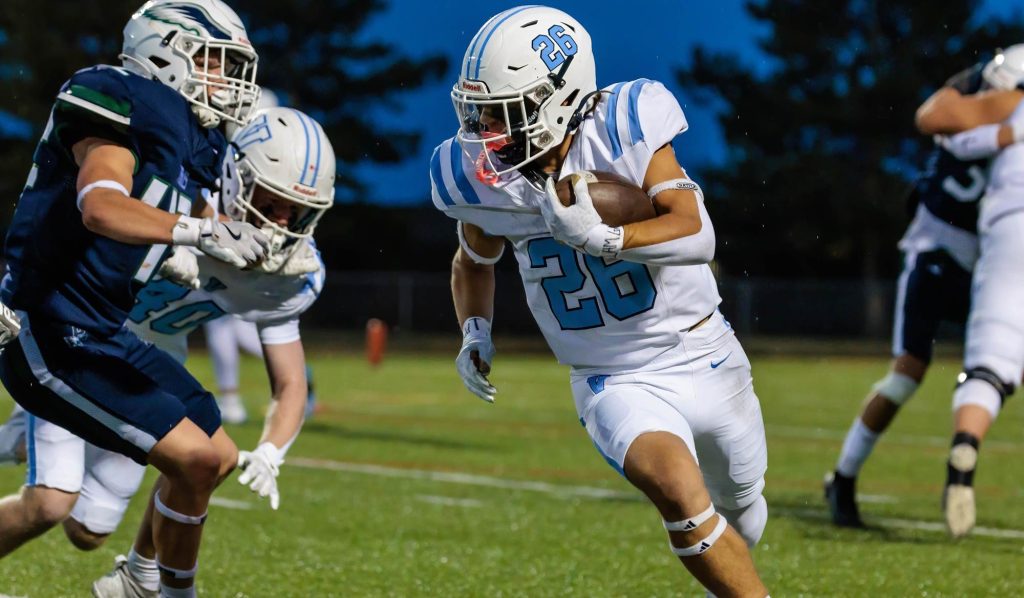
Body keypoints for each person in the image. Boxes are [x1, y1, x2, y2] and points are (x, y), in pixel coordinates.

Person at [432, 6, 768, 596]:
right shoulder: (475, 179)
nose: (486, 130)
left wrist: (612, 238)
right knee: (676, 491)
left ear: (558, 96)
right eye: (479, 111)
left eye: (502, 112)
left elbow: (697, 232)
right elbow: (473, 261)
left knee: (743, 514)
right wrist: (475, 331)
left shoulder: (623, 126)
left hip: (703, 350)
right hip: (610, 376)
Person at [0, 2, 266, 596]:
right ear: (167, 49)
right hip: (49, 329)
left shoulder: (189, 137)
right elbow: (99, 204)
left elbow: (203, 215)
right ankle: (165, 592)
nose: (228, 81)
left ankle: (141, 576)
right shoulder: (128, 102)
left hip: (103, 330)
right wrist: (193, 233)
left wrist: (256, 248)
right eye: (218, 63)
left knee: (217, 454)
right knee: (190, 461)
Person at [89, 106, 334, 596]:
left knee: (200, 460)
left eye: (297, 210)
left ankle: (139, 577)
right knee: (66, 513)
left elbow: (290, 383)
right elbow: (90, 223)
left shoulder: (284, 277)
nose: (281, 222)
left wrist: (271, 450)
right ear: (236, 178)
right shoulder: (178, 192)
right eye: (271, 199)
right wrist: (174, 233)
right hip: (85, 334)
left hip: (151, 357)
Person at [824, 61, 993, 527]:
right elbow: (933, 115)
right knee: (906, 375)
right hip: (935, 253)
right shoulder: (988, 110)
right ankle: (843, 476)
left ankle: (963, 455)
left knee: (997, 369)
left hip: (989, 264)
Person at [914, 44, 1024, 538]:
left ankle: (965, 447)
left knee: (992, 357)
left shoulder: (1007, 104)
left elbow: (933, 119)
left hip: (1008, 225)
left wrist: (976, 83)